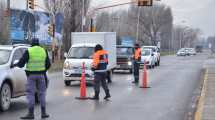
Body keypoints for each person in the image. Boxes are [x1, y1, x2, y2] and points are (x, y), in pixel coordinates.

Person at [14, 38, 51, 119]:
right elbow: (48, 64)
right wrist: (43, 70)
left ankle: (31, 114)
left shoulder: (29, 51)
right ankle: (43, 113)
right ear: (38, 43)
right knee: (42, 93)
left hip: (31, 76)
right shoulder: (43, 51)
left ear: (31, 43)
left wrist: (16, 65)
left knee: (31, 94)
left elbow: (21, 63)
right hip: (41, 75)